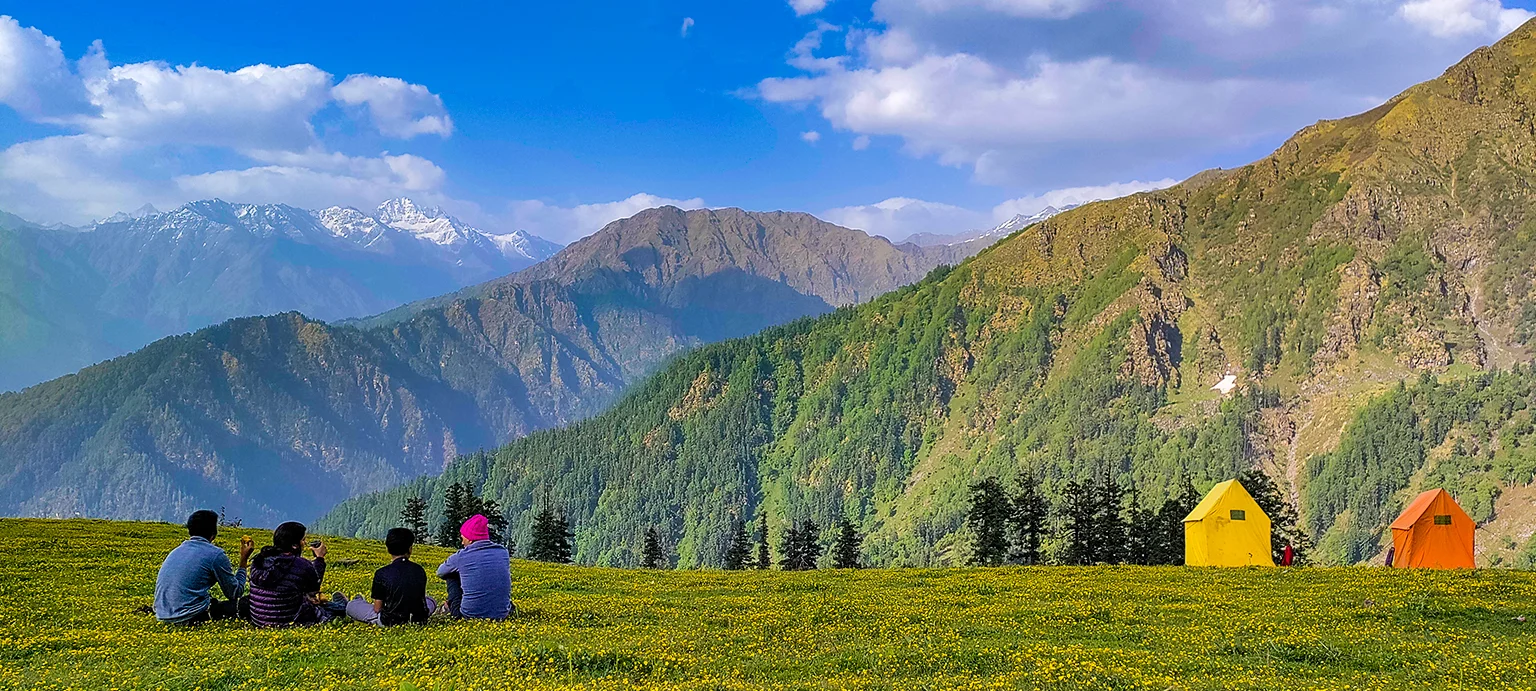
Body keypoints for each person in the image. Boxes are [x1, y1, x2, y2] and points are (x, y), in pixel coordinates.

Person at [154, 509, 254, 624]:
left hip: (162, 615)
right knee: (248, 604)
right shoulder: (216, 555)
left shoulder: (176, 551)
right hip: (189, 616)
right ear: (213, 533)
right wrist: (243, 560)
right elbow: (234, 593)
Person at [243, 521, 331, 627]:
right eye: (303, 540)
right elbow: (314, 587)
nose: (305, 543)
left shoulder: (260, 560)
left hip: (259, 620)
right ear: (294, 545)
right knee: (327, 609)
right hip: (287, 620)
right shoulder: (300, 564)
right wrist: (319, 559)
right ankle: (345, 605)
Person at [346, 528, 437, 625]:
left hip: (390, 620)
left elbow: (377, 608)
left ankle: (358, 602)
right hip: (418, 619)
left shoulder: (381, 573)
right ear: (410, 549)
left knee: (351, 605)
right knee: (431, 600)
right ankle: (360, 602)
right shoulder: (419, 570)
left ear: (388, 549)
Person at [436, 514, 514, 620]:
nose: (462, 542)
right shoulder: (502, 552)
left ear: (471, 539)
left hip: (469, 615)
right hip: (501, 614)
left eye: (463, 538)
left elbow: (440, 572)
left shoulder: (461, 556)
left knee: (451, 575)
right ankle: (501, 606)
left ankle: (450, 608)